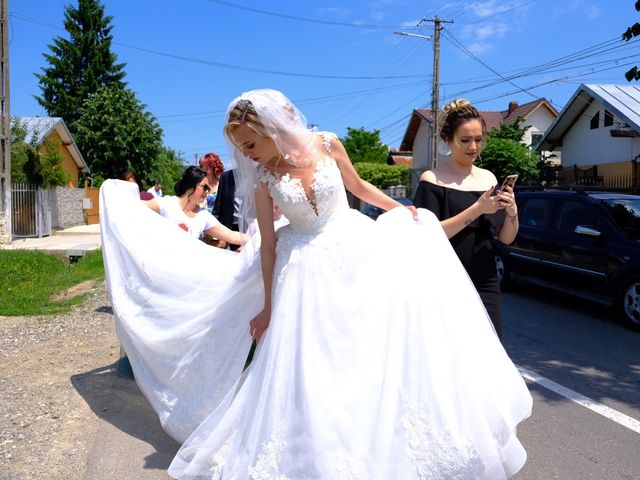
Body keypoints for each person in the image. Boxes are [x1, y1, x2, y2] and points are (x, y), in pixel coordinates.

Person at [99, 89, 531, 480]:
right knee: (312, 364)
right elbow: (267, 245)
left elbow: (358, 186)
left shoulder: (327, 143)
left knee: (365, 351)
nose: (247, 155)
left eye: (250, 143)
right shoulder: (266, 178)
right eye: (241, 147)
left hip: (352, 248)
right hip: (301, 268)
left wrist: (402, 210)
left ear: (271, 128)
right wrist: (267, 307)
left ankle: (370, 434)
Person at [413, 99, 519, 338]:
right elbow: (427, 234)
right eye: (465, 140)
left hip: (485, 278)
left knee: (490, 348)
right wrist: (478, 209)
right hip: (443, 279)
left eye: (478, 139)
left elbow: (506, 238)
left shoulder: (489, 178)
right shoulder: (432, 179)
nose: (473, 146)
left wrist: (512, 211)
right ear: (448, 140)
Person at [144, 165, 247, 246]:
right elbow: (133, 207)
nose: (207, 192)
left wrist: (257, 239)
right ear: (191, 185)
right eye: (204, 187)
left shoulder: (204, 216)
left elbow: (232, 235)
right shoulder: (166, 204)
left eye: (208, 188)